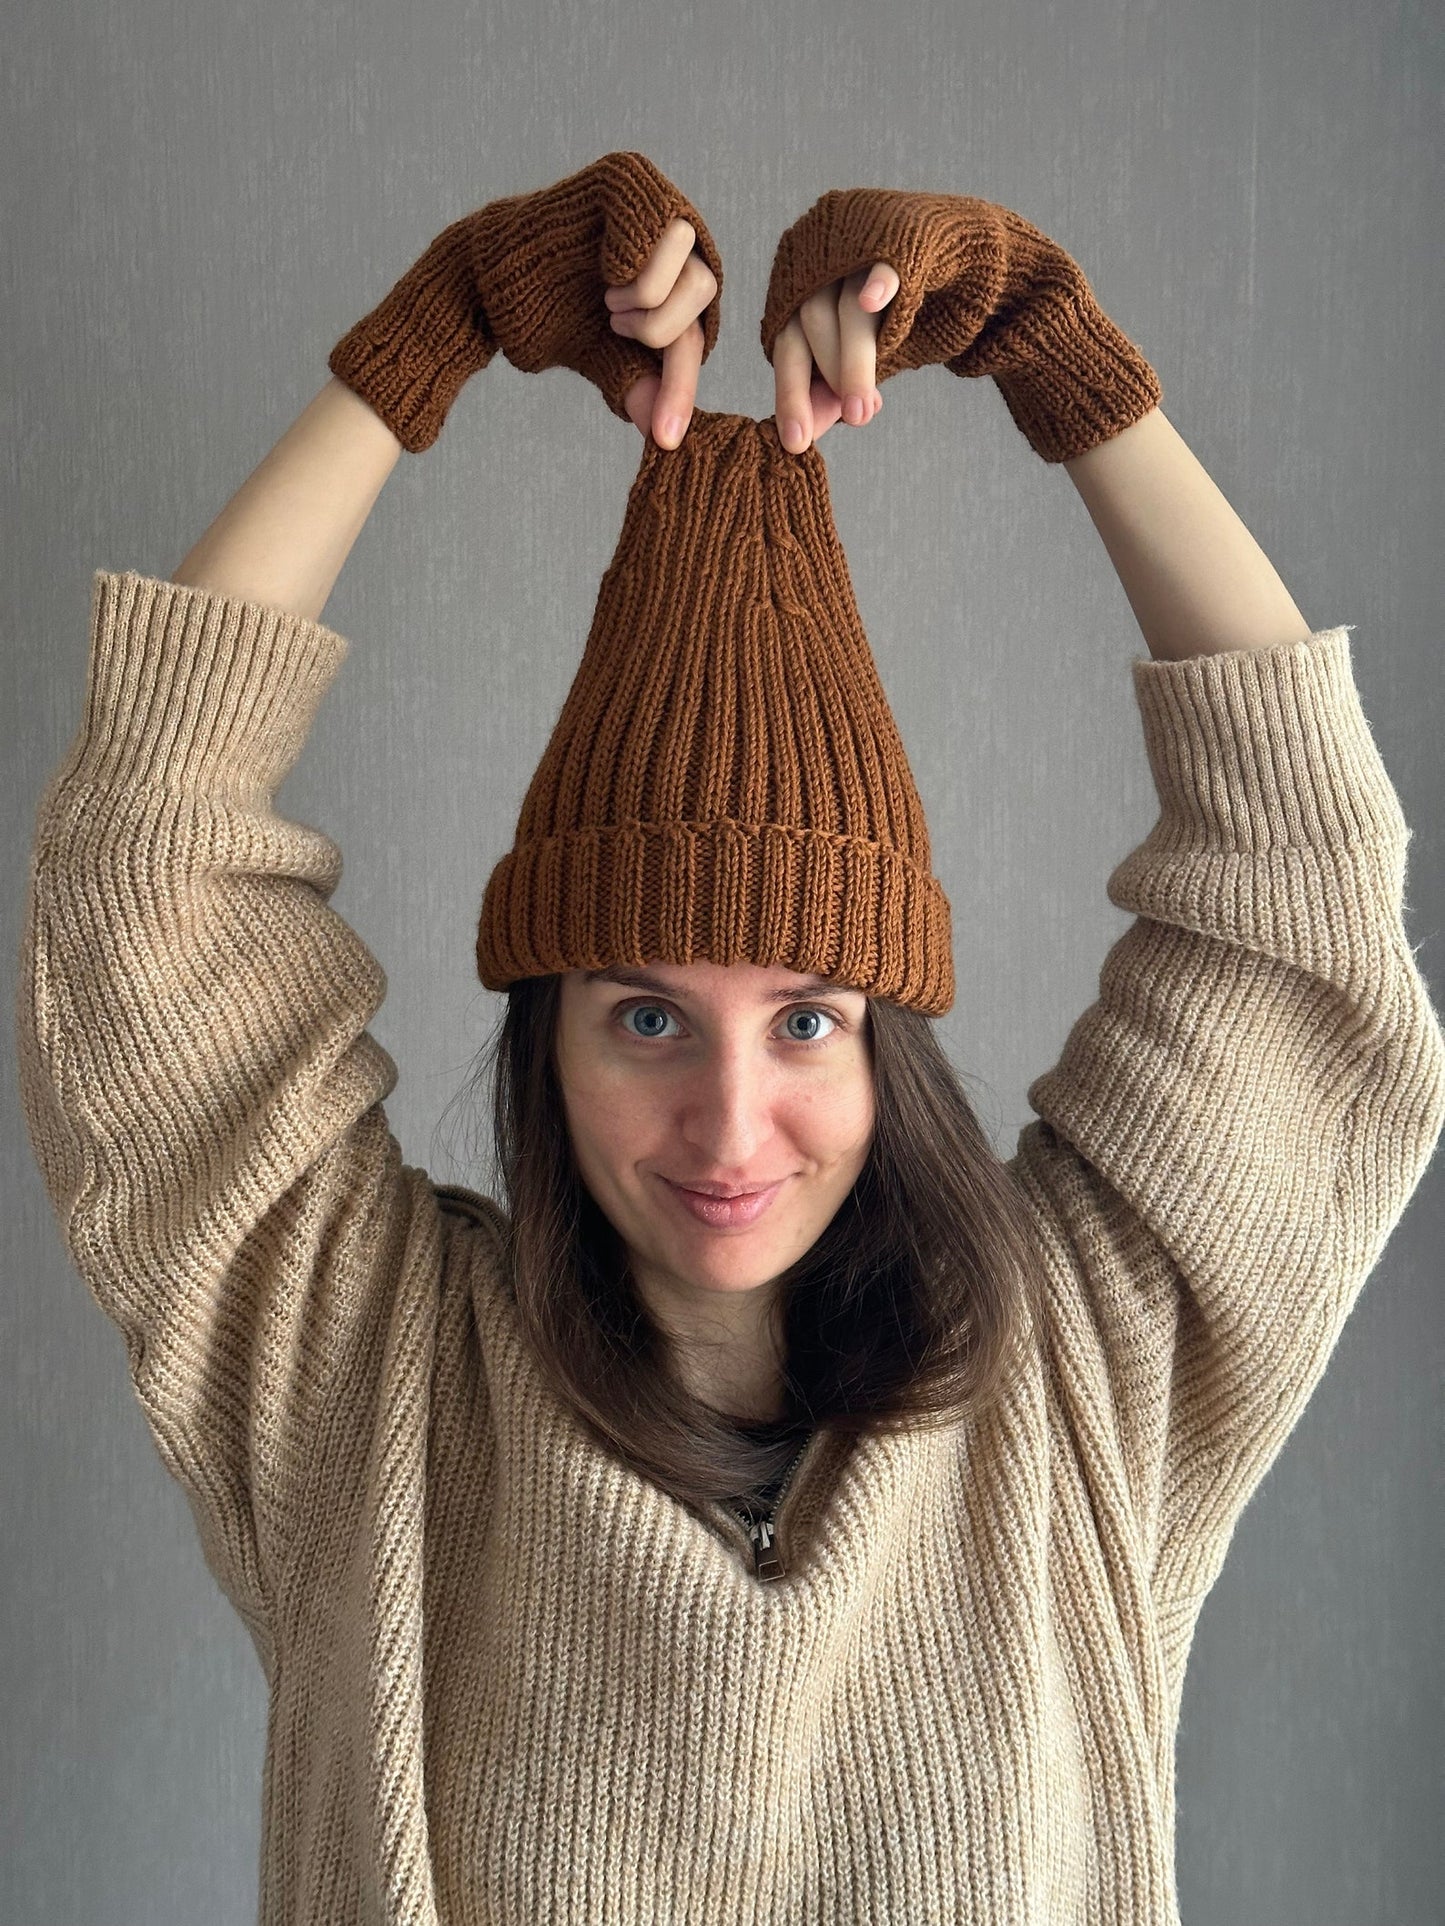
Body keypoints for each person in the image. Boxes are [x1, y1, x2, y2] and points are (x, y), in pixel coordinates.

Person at [16, 152, 1444, 1925]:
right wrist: (430, 332)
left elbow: (1300, 891)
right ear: (543, 1037)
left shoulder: (1078, 1374)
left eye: (806, 1017)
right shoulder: (360, 1382)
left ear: (883, 1044)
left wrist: (1053, 353)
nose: (730, 1119)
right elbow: (143, 872)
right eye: (641, 1015)